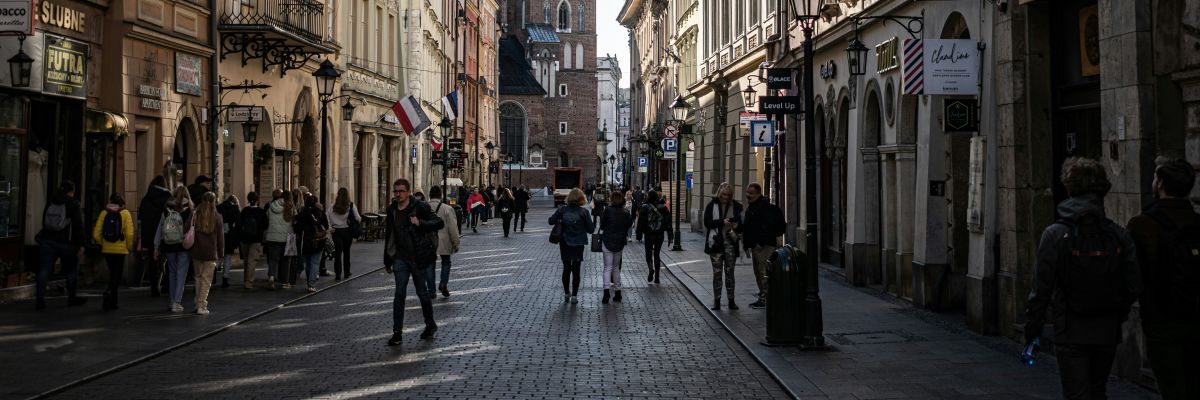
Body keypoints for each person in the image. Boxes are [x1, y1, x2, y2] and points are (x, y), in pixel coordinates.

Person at [1025, 157, 1141, 400]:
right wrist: (1116, 312)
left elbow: (1041, 288)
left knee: (1076, 393)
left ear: (1068, 188)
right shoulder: (1118, 235)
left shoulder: (1055, 234)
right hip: (1107, 328)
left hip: (1070, 327)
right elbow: (1133, 283)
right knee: (1098, 390)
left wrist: (1033, 327)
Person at [1125, 157, 1199, 400]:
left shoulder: (1141, 224)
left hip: (1161, 317)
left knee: (1172, 387)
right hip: (1195, 313)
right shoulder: (1197, 223)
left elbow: (1133, 276)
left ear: (1160, 184)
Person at [383, 179, 444, 346]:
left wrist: (420, 223)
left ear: (408, 191)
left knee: (422, 293)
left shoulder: (420, 206)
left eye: (401, 191)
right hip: (400, 259)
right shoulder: (392, 210)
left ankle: (430, 324)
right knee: (399, 295)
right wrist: (387, 260)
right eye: (395, 191)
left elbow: (439, 222)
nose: (398, 194)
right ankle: (397, 333)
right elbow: (390, 236)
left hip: (418, 258)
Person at [35, 181, 87, 310]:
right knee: (71, 270)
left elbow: (44, 221)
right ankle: (72, 297)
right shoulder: (73, 203)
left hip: (47, 241)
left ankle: (40, 299)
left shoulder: (51, 201)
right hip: (66, 243)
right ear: (72, 191)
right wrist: (81, 244)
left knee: (44, 269)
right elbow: (77, 225)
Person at [737, 183, 785, 309]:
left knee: (764, 272)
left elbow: (769, 227)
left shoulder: (765, 207)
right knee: (758, 272)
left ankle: (766, 298)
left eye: (751, 193)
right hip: (755, 246)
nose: (748, 195)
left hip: (764, 246)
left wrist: (760, 242)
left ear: (758, 194)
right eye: (747, 192)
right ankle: (763, 295)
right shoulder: (752, 207)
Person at [549, 188, 594, 304]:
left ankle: (566, 293)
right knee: (576, 269)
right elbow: (591, 229)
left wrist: (559, 219)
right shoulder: (584, 212)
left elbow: (550, 221)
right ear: (581, 199)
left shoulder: (562, 210)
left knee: (566, 268)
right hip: (578, 243)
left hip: (565, 242)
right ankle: (574, 295)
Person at [91, 192, 134, 311]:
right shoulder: (125, 213)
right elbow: (130, 234)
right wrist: (129, 247)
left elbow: (95, 234)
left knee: (112, 274)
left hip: (107, 250)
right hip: (120, 251)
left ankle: (113, 301)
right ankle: (109, 294)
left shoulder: (104, 213)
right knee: (117, 276)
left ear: (110, 201)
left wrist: (102, 243)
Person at [704, 182, 743, 310]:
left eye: (728, 195)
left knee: (730, 272)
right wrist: (722, 222)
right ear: (719, 194)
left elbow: (741, 223)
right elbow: (707, 222)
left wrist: (736, 225)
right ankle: (717, 300)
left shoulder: (736, 206)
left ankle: (731, 300)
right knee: (717, 273)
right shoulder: (712, 205)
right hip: (716, 243)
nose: (726, 197)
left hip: (730, 243)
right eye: (723, 194)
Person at [155, 187, 193, 313]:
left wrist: (156, 247)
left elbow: (160, 228)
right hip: (183, 245)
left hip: (169, 244)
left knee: (172, 272)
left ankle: (171, 301)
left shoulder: (166, 209)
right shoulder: (190, 210)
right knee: (181, 273)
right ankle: (177, 302)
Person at [189, 192, 224, 315]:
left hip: (196, 251)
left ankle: (197, 302)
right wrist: (221, 254)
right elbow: (220, 238)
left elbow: (186, 230)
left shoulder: (194, 214)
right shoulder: (217, 217)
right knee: (206, 279)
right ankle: (201, 305)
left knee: (198, 278)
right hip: (210, 252)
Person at [137, 176, 171, 297]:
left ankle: (154, 287)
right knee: (168, 260)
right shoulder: (167, 197)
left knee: (153, 260)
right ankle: (166, 285)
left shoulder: (146, 198)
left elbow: (140, 216)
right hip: (164, 233)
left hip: (149, 234)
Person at [599, 191, 633, 304]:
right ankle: (618, 292)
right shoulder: (625, 212)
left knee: (607, 267)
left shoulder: (607, 210)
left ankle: (606, 292)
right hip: (619, 242)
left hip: (607, 241)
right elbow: (629, 224)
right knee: (616, 267)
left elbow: (602, 225)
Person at [427, 185, 460, 298]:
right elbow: (453, 228)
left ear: (430, 195)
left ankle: (431, 290)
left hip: (428, 241)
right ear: (440, 195)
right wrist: (456, 243)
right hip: (444, 240)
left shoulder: (424, 207)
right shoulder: (447, 208)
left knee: (430, 264)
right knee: (446, 262)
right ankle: (443, 284)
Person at [294, 194, 330, 292]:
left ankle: (309, 283)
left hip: (305, 242)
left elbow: (297, 228)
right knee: (315, 263)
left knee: (309, 263)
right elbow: (326, 226)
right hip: (318, 241)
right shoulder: (320, 213)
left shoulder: (302, 213)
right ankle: (311, 283)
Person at [637, 190, 671, 284]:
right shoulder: (663, 207)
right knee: (657, 254)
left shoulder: (645, 207)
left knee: (648, 253)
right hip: (659, 234)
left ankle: (651, 268)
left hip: (649, 234)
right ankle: (657, 277)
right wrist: (670, 235)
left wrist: (639, 234)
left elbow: (640, 222)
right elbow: (668, 222)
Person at [327, 188, 361, 280]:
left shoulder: (332, 206)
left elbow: (327, 217)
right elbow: (358, 218)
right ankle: (346, 272)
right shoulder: (351, 205)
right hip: (347, 231)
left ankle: (338, 274)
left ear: (338, 195)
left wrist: (330, 228)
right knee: (347, 252)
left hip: (336, 231)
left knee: (338, 253)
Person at [263, 189, 293, 290]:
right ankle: (285, 282)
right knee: (285, 260)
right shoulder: (290, 206)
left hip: (272, 237)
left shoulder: (271, 206)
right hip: (286, 237)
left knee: (273, 259)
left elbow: (266, 219)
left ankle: (272, 277)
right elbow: (294, 220)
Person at [237, 192, 267, 289]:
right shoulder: (260, 211)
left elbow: (239, 224)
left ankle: (246, 279)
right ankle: (248, 282)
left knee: (246, 260)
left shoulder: (244, 211)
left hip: (244, 238)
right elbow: (265, 225)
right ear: (257, 199)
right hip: (256, 239)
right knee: (252, 261)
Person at [215, 194, 240, 289]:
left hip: (219, 235)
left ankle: (213, 271)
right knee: (228, 257)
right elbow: (238, 223)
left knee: (219, 255)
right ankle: (225, 278)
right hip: (230, 236)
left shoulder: (219, 207)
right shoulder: (235, 208)